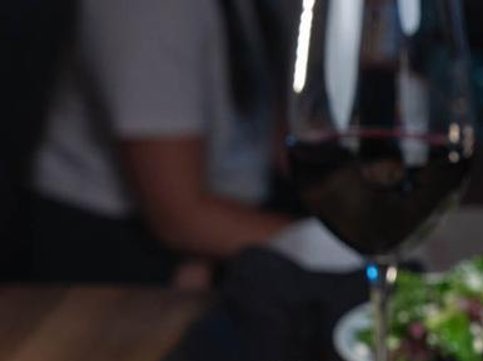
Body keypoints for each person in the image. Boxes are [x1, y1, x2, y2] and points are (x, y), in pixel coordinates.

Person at [28, 0, 295, 286]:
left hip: (229, 214)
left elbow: (281, 140)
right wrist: (324, 245)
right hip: (98, 247)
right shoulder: (148, 10)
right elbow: (178, 218)